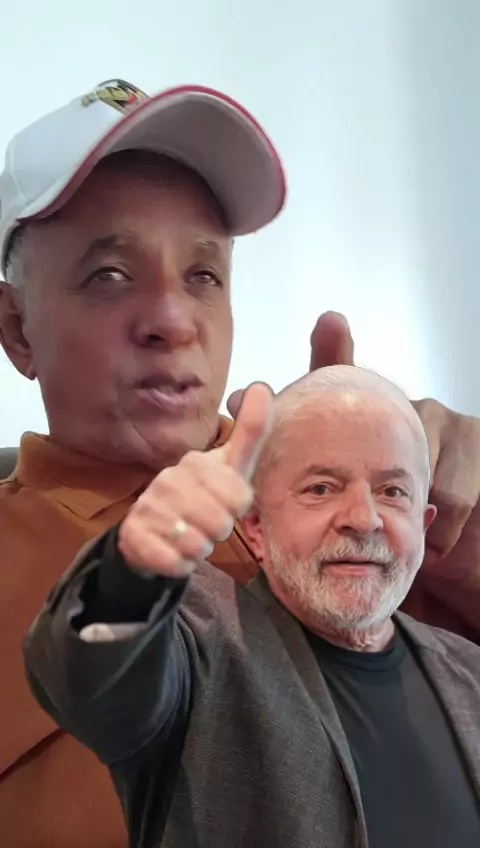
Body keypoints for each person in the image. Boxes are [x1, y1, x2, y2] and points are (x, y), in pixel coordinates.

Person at [0, 76, 479, 845]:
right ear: (17, 328)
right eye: (109, 274)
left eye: (204, 275)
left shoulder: (354, 531)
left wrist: (444, 525)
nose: (172, 318)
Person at [24, 367, 480, 848]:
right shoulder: (200, 639)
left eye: (393, 492)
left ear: (423, 525)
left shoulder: (469, 669)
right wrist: (129, 573)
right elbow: (90, 679)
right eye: (321, 488)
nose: (364, 519)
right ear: (256, 525)